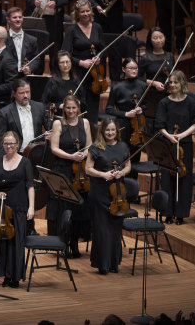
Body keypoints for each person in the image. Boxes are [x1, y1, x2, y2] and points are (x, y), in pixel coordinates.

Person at [155, 70, 195, 225]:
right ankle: (168, 213)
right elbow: (159, 124)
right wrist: (170, 136)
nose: (173, 85)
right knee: (167, 179)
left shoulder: (191, 102)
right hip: (167, 146)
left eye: (176, 82)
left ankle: (181, 214)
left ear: (182, 83)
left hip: (185, 145)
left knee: (184, 179)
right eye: (171, 82)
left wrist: (182, 135)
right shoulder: (164, 103)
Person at [85, 118, 131, 275]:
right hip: (99, 194)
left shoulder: (123, 146)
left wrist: (121, 173)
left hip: (117, 195)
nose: (110, 133)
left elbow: (128, 166)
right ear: (102, 131)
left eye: (113, 130)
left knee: (115, 230)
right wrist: (103, 174)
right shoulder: (95, 147)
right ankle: (102, 265)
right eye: (107, 130)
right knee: (102, 230)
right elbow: (88, 169)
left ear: (116, 131)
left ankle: (114, 263)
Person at [0, 131, 35, 288]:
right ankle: (5, 276)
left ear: (17, 144)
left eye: (12, 143)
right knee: (2, 244)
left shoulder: (25, 163)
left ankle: (15, 276)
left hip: (19, 208)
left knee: (16, 243)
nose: (9, 146)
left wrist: (32, 207)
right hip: (0, 209)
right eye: (6, 144)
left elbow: (30, 186)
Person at [49, 94, 92, 257]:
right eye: (68, 108)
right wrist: (71, 156)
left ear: (78, 108)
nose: (71, 111)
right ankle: (63, 243)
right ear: (64, 108)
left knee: (78, 209)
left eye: (74, 108)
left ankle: (75, 242)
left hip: (80, 170)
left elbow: (89, 145)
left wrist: (84, 155)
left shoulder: (85, 122)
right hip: (63, 168)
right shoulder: (58, 123)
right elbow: (54, 148)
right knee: (64, 208)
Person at [62, 0, 106, 127]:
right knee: (79, 102)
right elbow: (65, 53)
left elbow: (103, 49)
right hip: (78, 71)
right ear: (77, 14)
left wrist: (99, 57)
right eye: (82, 12)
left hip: (95, 73)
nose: (86, 14)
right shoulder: (72, 30)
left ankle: (91, 131)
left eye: (88, 11)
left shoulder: (97, 27)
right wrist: (80, 62)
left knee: (93, 102)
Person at [0, 79, 49, 158]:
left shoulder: (40, 107)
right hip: (16, 155)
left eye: (27, 92)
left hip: (37, 154)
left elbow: (50, 128)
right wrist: (3, 161)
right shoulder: (5, 112)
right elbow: (0, 139)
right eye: (21, 93)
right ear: (14, 94)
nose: (25, 96)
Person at [105, 59, 147, 157]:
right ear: (123, 69)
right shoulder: (117, 86)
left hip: (138, 125)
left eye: (136, 68)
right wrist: (126, 114)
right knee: (122, 156)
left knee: (136, 156)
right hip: (123, 124)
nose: (134, 71)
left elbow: (146, 104)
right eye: (131, 68)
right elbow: (109, 109)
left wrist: (142, 109)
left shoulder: (142, 85)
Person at [41, 50, 86, 116]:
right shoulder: (52, 82)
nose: (65, 65)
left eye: (67, 62)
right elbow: (44, 104)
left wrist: (77, 103)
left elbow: (83, 101)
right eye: (62, 62)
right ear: (57, 64)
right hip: (58, 118)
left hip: (74, 118)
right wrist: (58, 106)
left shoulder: (76, 81)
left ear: (71, 63)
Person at [5, 7, 40, 75]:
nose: (18, 19)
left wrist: (30, 68)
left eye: (20, 17)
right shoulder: (3, 38)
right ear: (8, 20)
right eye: (14, 17)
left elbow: (36, 59)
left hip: (23, 77)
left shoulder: (32, 40)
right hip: (6, 76)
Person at [138, 27, 173, 92]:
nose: (159, 40)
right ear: (150, 40)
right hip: (152, 91)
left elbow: (174, 74)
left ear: (165, 37)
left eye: (161, 37)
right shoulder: (146, 58)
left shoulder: (170, 56)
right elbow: (137, 78)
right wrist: (154, 83)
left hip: (170, 91)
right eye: (155, 38)